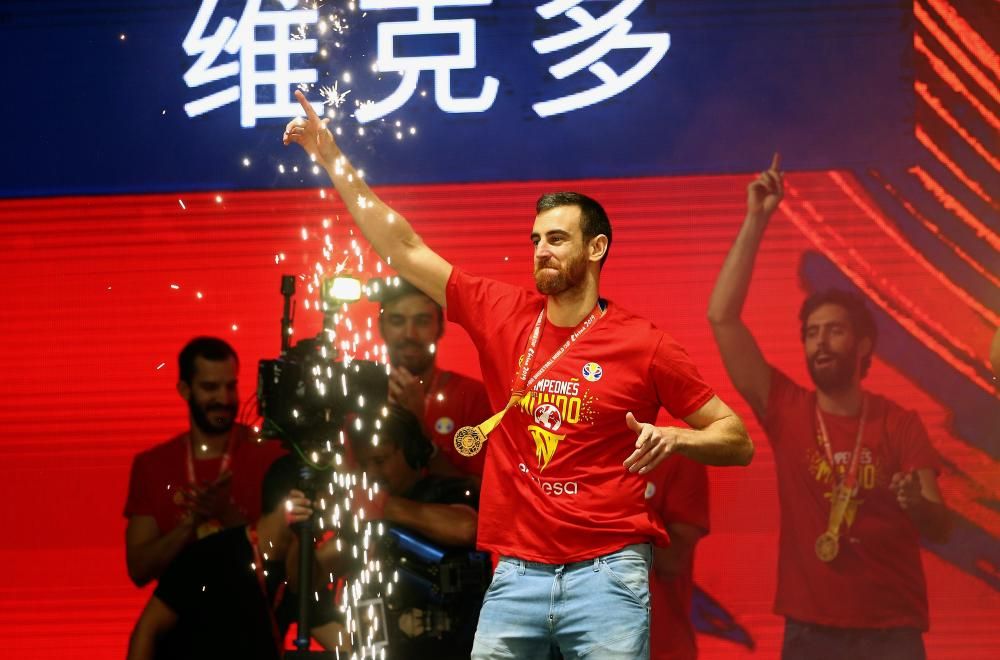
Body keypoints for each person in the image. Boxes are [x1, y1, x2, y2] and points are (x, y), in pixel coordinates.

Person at [283, 90, 752, 659]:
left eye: (557, 239)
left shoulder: (645, 343)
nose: (540, 251)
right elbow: (405, 248)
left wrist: (677, 436)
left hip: (608, 574)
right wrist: (332, 157)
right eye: (535, 240)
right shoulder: (500, 311)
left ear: (597, 248)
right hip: (515, 576)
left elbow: (737, 438)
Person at [707, 154, 952, 659]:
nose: (820, 343)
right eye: (812, 333)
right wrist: (757, 218)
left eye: (834, 331)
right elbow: (722, 317)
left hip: (892, 633)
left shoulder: (897, 422)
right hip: (811, 634)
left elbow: (941, 524)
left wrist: (916, 504)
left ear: (864, 347)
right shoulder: (787, 408)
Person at [126, 455, 345, 659]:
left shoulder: (300, 570)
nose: (332, 515)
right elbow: (148, 629)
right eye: (327, 503)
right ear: (293, 500)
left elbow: (341, 641)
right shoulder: (211, 555)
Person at [124, 337, 286, 586]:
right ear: (184, 390)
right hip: (178, 621)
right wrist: (190, 524)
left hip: (253, 619)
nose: (224, 398)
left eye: (230, 386)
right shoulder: (153, 465)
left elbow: (284, 559)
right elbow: (138, 570)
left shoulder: (270, 454)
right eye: (210, 388)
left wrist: (226, 514)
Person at [349, 406, 485, 659]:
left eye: (380, 461)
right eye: (364, 464)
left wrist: (382, 505)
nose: (372, 473)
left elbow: (467, 528)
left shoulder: (450, 490)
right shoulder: (360, 512)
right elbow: (310, 573)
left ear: (412, 452)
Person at [377, 277, 493, 479]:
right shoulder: (361, 394)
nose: (409, 334)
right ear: (381, 327)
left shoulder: (474, 398)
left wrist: (418, 427)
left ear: (440, 328)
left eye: (422, 321)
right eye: (397, 321)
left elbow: (480, 492)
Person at [646, 454, 709, 660]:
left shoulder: (676, 454)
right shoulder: (559, 457)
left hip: (659, 648)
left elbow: (672, 561)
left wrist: (610, 501)